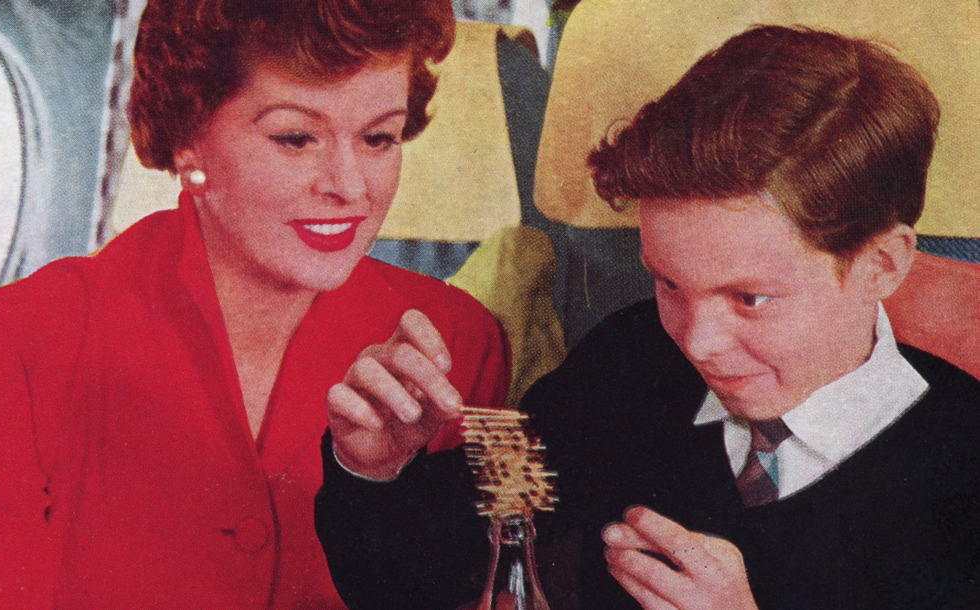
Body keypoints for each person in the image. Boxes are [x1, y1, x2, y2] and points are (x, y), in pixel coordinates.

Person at [316, 25, 980, 609]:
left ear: (883, 265)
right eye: (668, 282)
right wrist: (372, 472)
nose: (698, 341)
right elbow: (410, 583)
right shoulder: (628, 362)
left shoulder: (961, 466)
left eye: (750, 299)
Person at [0, 0, 510, 608]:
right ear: (190, 139)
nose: (350, 186)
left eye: (379, 138)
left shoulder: (455, 342)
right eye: (295, 139)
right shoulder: (13, 347)